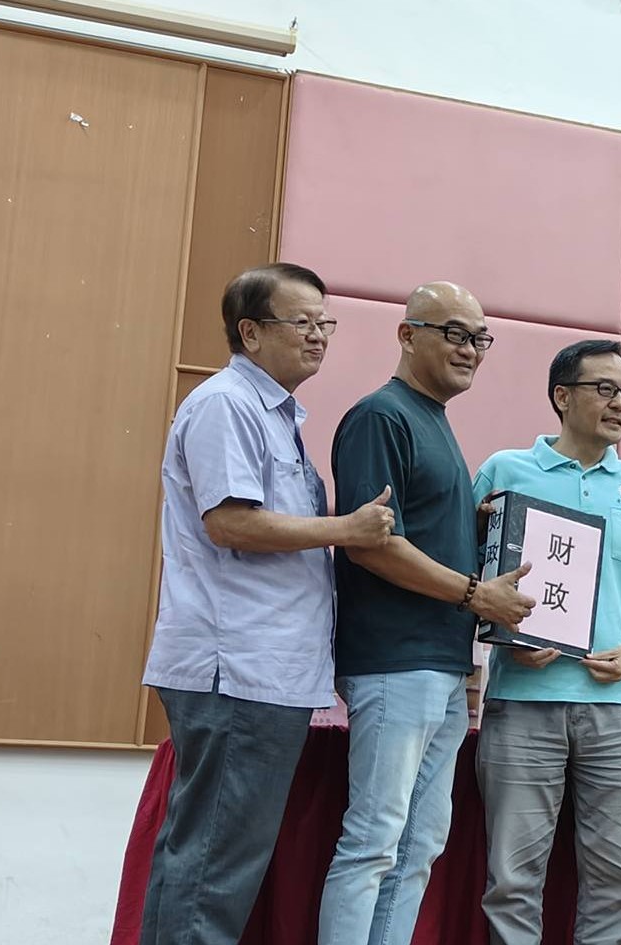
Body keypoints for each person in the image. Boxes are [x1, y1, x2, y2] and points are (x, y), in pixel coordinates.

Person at [138, 264, 393, 945]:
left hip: (265, 669)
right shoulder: (227, 404)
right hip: (237, 667)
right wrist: (346, 529)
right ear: (249, 332)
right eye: (301, 322)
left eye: (325, 323)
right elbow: (231, 523)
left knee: (206, 858)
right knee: (214, 866)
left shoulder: (274, 414)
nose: (318, 335)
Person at [319, 281, 534, 945]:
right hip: (395, 660)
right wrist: (476, 595)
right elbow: (370, 544)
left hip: (441, 664)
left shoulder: (432, 418)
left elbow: (416, 530)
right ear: (407, 334)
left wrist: (472, 524)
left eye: (480, 338)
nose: (470, 349)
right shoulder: (381, 416)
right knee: (375, 840)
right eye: (454, 334)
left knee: (419, 845)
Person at [471, 340, 621, 944]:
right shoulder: (506, 470)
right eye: (604, 389)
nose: (619, 403)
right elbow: (470, 573)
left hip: (620, 706)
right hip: (523, 701)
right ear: (562, 396)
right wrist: (504, 635)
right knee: (513, 879)